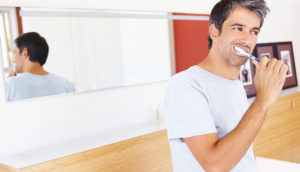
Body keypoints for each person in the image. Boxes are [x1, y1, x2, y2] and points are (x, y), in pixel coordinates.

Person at [164, 0, 288, 171]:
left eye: (254, 31)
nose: (247, 39)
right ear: (214, 31)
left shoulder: (235, 85)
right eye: (238, 28)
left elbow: (242, 153)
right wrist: (263, 100)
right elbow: (215, 165)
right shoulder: (185, 86)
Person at [6, 32, 75, 101]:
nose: (13, 60)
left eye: (15, 53)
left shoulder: (10, 85)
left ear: (25, 52)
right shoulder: (67, 86)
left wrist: (5, 89)